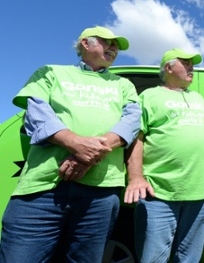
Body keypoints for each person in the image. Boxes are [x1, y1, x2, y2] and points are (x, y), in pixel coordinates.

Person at [0, 26, 140, 263]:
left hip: (101, 192)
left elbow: (132, 121)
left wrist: (87, 154)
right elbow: (36, 113)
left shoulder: (123, 84)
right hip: (42, 189)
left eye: (116, 46)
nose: (114, 48)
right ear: (86, 43)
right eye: (108, 42)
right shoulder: (51, 73)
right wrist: (75, 143)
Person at [123, 48, 204, 262]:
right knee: (153, 258)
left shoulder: (199, 99)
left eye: (192, 63)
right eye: (186, 62)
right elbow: (137, 138)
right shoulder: (149, 96)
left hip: (199, 194)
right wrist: (136, 178)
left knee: (189, 258)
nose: (192, 67)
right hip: (159, 193)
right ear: (168, 67)